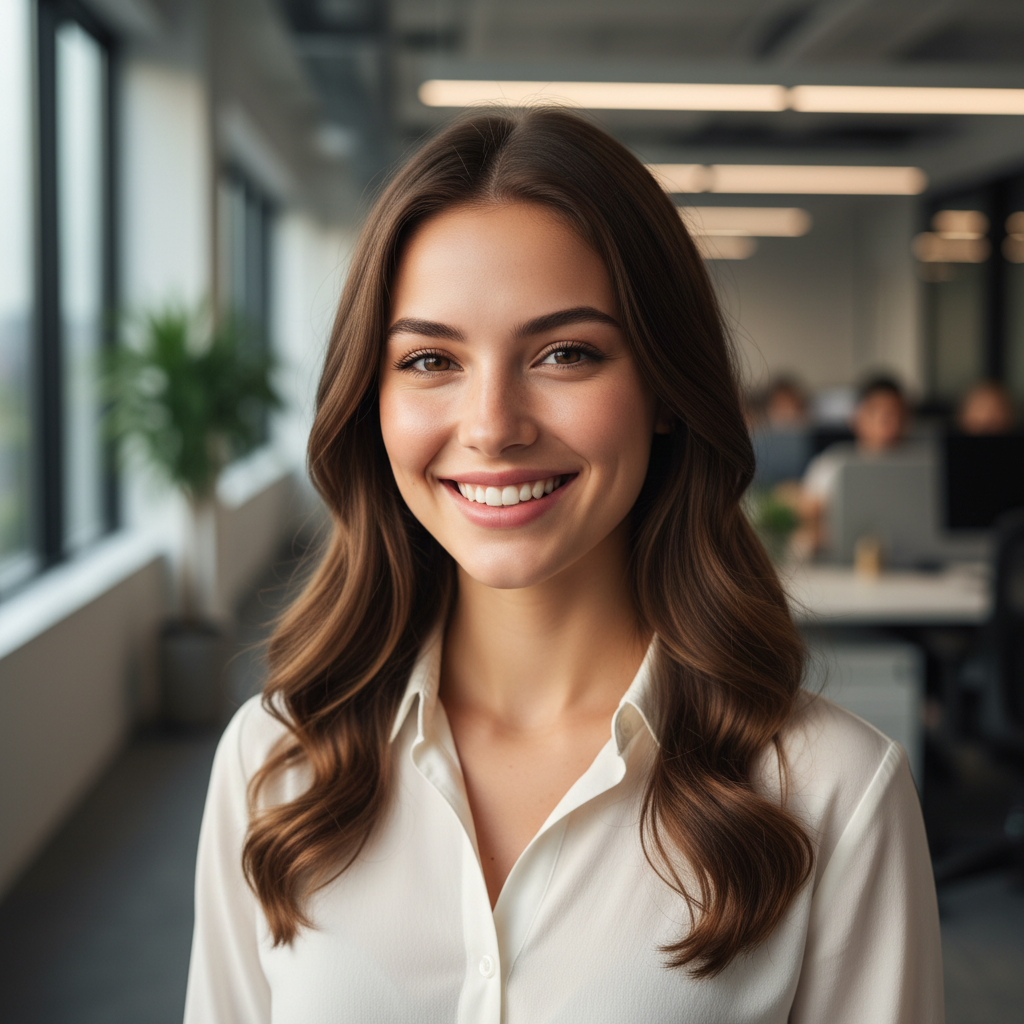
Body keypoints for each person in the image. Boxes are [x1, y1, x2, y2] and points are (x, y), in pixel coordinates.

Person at [183, 108, 943, 1023]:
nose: (494, 424)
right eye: (430, 359)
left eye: (566, 353)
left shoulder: (831, 792)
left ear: (664, 389)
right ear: (370, 400)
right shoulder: (276, 764)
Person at [796, 374, 913, 553]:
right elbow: (808, 513)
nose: (885, 421)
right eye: (875, 412)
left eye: (893, 413)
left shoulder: (921, 468)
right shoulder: (831, 464)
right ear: (856, 418)